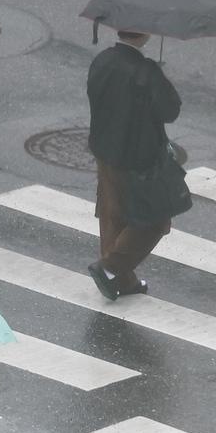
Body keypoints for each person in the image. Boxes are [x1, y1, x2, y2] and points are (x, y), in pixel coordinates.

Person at [85, 28, 183, 301]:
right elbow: (170, 110)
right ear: (145, 35)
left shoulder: (102, 60)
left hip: (105, 150)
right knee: (154, 220)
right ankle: (111, 268)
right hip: (139, 159)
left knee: (113, 214)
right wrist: (159, 79)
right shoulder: (145, 72)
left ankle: (124, 282)